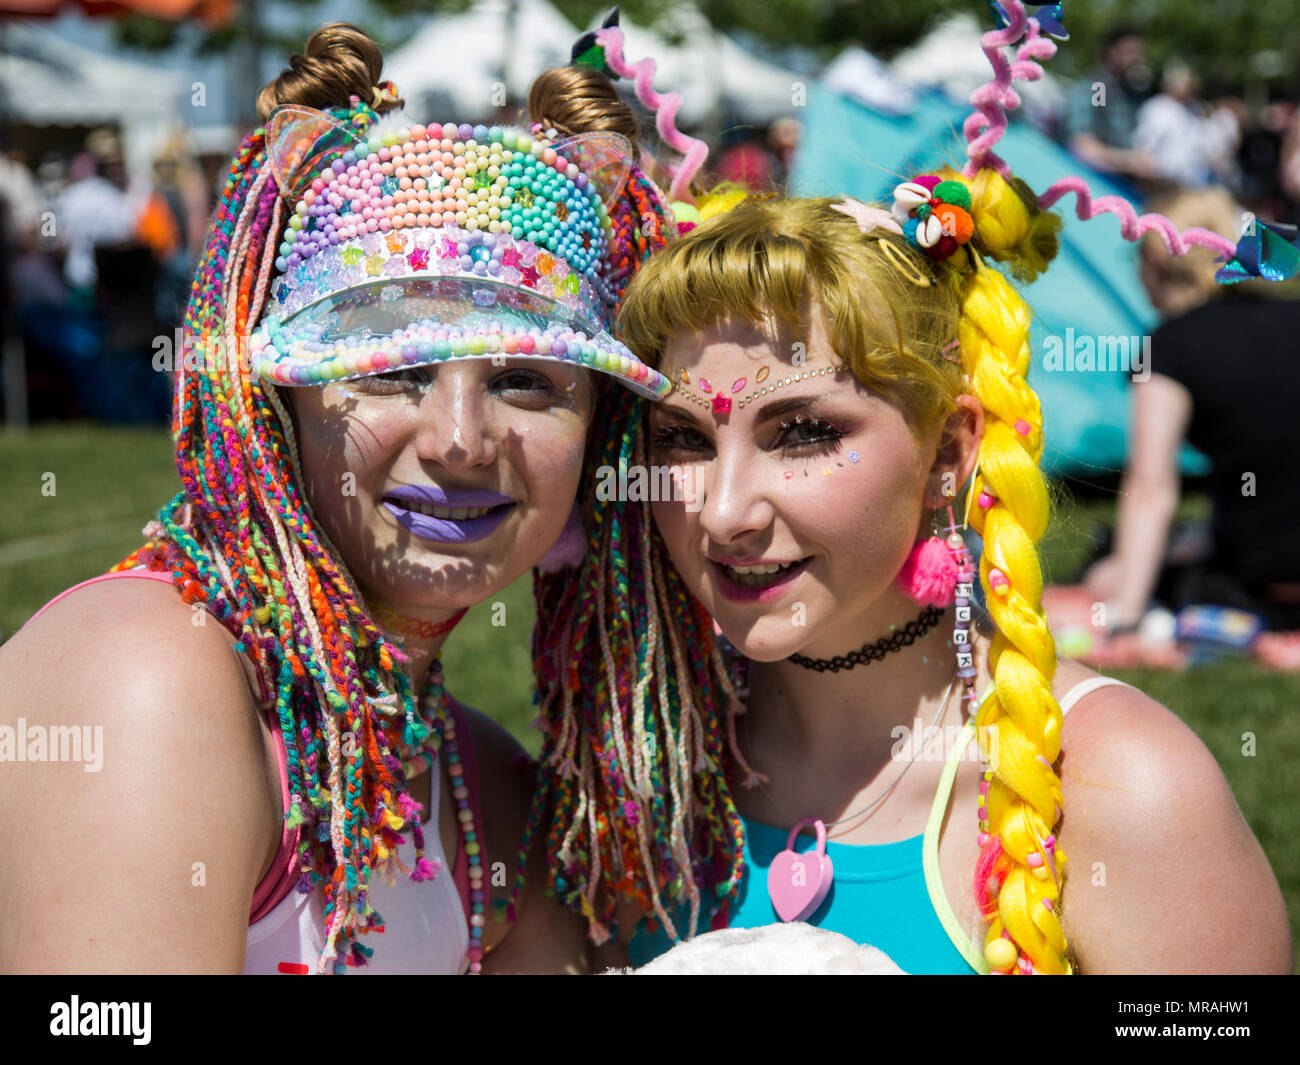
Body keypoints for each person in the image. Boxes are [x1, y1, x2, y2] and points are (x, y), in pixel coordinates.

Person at [528, 1, 1293, 975]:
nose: (722, 511)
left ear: (949, 453)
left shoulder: (1118, 791)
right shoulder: (632, 766)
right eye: (681, 438)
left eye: (801, 432)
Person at [0, 21, 680, 975]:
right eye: (392, 372)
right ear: (282, 401)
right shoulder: (150, 680)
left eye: (527, 381)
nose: (460, 440)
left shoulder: (480, 780)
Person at [1083, 186, 1300, 662]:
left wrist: (1126, 623)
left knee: (1104, 572)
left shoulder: (1170, 347)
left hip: (1261, 586)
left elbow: (1150, 490)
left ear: (1157, 264)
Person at [1061, 24, 1159, 183]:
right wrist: (1130, 161)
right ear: (1111, 53)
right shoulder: (1099, 89)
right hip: (1094, 181)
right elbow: (1083, 146)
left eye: (1139, 53)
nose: (1137, 59)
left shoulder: (1131, 92)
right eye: (1130, 52)